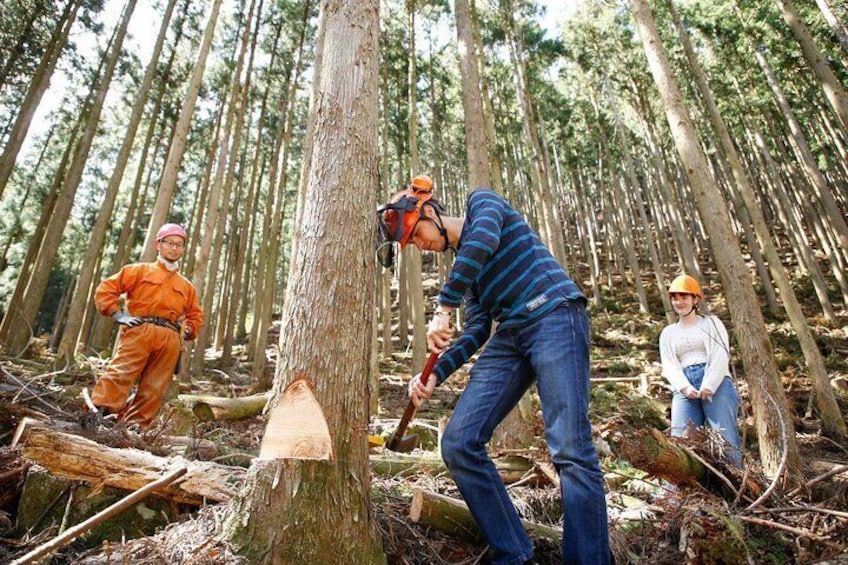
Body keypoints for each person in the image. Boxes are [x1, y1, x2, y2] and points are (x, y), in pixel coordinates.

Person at [377, 176, 611, 565]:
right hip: (513, 335)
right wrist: (436, 374)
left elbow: (482, 241)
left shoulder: (482, 205)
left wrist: (444, 306)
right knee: (458, 441)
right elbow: (477, 330)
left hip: (554, 313)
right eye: (411, 244)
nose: (419, 245)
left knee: (570, 449)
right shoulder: (467, 276)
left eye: (415, 234)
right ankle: (514, 553)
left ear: (431, 211)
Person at [89, 223, 203, 429]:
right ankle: (98, 414)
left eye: (179, 244)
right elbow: (106, 289)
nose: (174, 248)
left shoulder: (187, 286)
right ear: (158, 244)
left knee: (155, 387)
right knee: (121, 373)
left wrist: (186, 331)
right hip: (140, 329)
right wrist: (118, 314)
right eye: (169, 243)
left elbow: (195, 315)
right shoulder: (138, 270)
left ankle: (135, 428)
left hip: (170, 338)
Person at [659, 274, 742, 467]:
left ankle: (734, 488)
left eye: (684, 297)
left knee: (724, 437)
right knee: (681, 439)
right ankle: (677, 494)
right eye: (675, 298)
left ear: (695, 299)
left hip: (717, 382)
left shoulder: (711, 323)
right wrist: (685, 388)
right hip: (684, 387)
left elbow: (720, 355)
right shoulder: (668, 333)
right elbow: (669, 365)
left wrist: (709, 385)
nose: (679, 302)